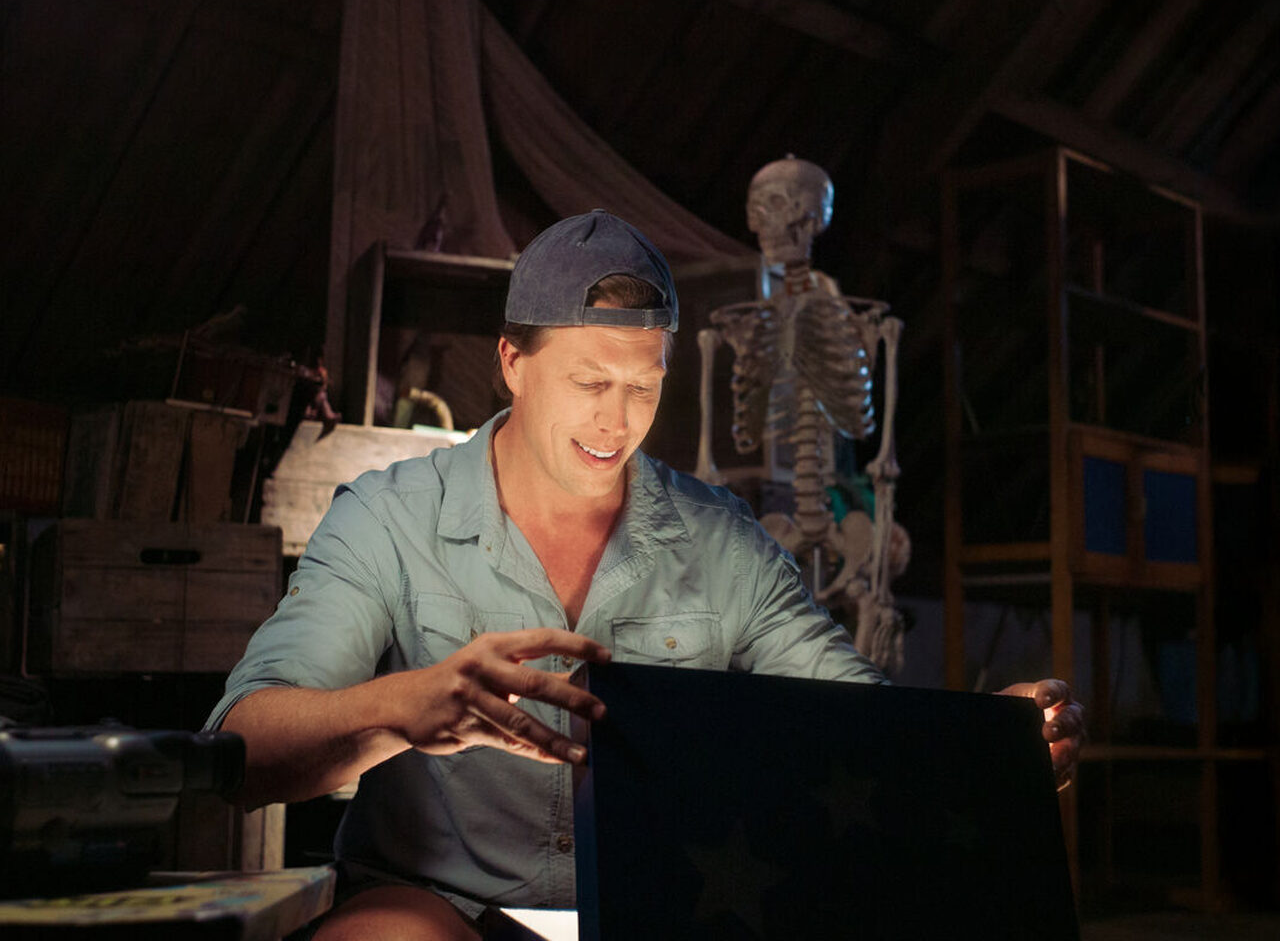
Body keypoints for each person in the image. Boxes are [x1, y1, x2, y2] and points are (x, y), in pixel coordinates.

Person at [208, 210, 1084, 940]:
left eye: (643, 386)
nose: (615, 422)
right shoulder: (387, 518)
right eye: (589, 382)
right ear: (511, 362)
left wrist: (988, 746)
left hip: (671, 906)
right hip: (435, 908)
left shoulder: (723, 543)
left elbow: (855, 726)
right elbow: (241, 752)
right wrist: (400, 708)